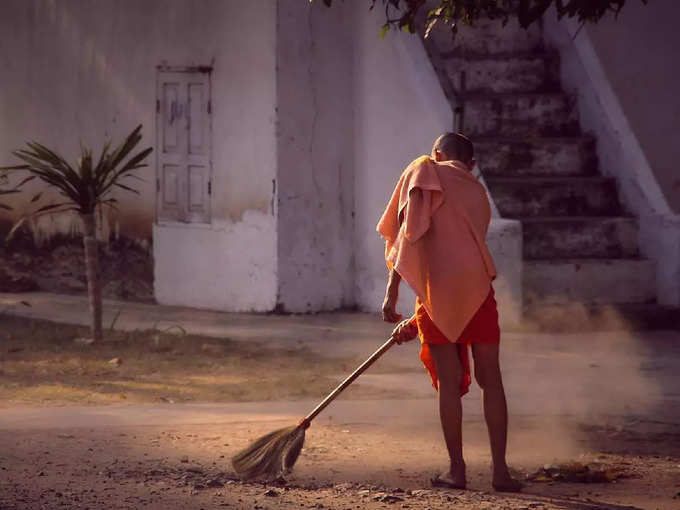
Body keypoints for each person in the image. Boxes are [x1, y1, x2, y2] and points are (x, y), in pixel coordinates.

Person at [376, 132, 522, 492]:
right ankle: (500, 473)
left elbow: (411, 234)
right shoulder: (478, 191)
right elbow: (461, 246)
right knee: (493, 379)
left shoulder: (423, 171)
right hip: (477, 289)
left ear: (437, 153)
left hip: (437, 292)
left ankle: (457, 471)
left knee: (448, 384)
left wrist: (393, 292)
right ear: (471, 165)